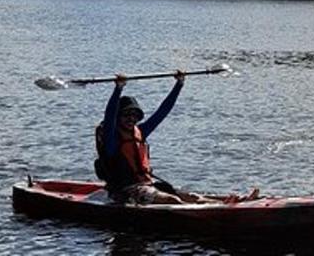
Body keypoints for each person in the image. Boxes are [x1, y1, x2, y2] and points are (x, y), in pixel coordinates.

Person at [95, 72, 260, 205]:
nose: (131, 119)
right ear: (118, 117)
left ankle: (236, 202)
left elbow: (162, 111)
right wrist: (118, 88)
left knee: (192, 196)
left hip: (147, 185)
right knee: (172, 200)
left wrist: (179, 84)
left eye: (134, 115)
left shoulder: (140, 132)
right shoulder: (112, 138)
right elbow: (109, 116)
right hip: (126, 191)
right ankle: (220, 210)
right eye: (126, 115)